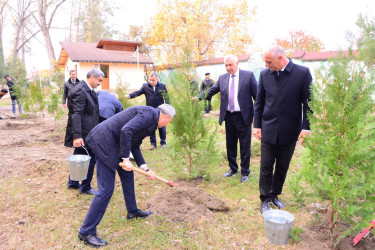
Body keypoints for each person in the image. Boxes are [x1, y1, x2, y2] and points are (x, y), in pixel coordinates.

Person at [78, 104, 176, 248]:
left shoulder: (152, 119)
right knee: (106, 189)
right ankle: (86, 231)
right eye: (169, 121)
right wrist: (125, 159)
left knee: (127, 176)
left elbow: (134, 143)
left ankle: (132, 211)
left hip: (115, 144)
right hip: (104, 142)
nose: (167, 124)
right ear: (166, 117)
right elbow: (126, 130)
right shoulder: (149, 114)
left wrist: (145, 167)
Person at [253, 45, 312, 213]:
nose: (266, 65)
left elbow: (308, 104)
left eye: (269, 61)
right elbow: (259, 103)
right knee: (265, 166)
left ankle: (274, 194)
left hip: (290, 129)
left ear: (280, 58)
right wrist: (257, 125)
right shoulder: (265, 75)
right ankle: (264, 199)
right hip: (268, 129)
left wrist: (306, 128)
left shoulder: (302, 73)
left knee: (282, 166)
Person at [193, 55, 258, 183]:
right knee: (230, 144)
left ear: (237, 63)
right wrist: (198, 97)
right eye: (226, 65)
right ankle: (233, 168)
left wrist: (256, 115)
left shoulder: (248, 76)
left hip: (243, 116)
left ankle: (245, 171)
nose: (228, 68)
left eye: (230, 65)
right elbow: (211, 90)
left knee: (245, 145)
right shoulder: (222, 78)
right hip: (229, 116)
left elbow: (257, 97)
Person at [64, 68, 103, 194]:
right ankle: (85, 187)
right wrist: (77, 136)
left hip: (88, 129)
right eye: (99, 80)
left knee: (78, 154)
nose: (100, 83)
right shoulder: (80, 91)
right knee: (90, 157)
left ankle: (73, 182)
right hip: (84, 132)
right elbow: (76, 114)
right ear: (92, 77)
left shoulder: (88, 90)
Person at [126, 72, 170, 150]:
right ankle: (153, 144)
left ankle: (163, 142)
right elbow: (138, 93)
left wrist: (167, 108)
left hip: (160, 110)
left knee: (162, 126)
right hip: (150, 110)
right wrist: (129, 96)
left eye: (153, 80)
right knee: (151, 127)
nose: (151, 81)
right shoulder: (145, 86)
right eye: (150, 80)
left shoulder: (162, 86)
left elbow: (166, 98)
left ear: (157, 79)